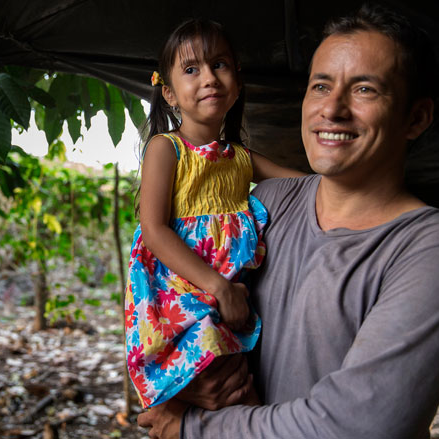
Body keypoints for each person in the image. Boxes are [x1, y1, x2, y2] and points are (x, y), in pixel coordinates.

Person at [138, 4, 439, 438]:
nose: (332, 109)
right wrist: (190, 382)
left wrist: (191, 427)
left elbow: (352, 427)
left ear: (416, 118)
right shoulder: (266, 208)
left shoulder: (437, 258)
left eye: (365, 89)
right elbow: (173, 293)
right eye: (320, 86)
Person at [125, 19, 302, 410]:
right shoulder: (166, 149)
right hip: (181, 293)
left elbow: (306, 185)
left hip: (231, 297)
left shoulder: (239, 158)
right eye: (192, 69)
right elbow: (153, 231)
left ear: (236, 82)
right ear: (169, 93)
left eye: (219, 65)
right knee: (220, 393)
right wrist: (217, 288)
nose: (209, 77)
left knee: (240, 394)